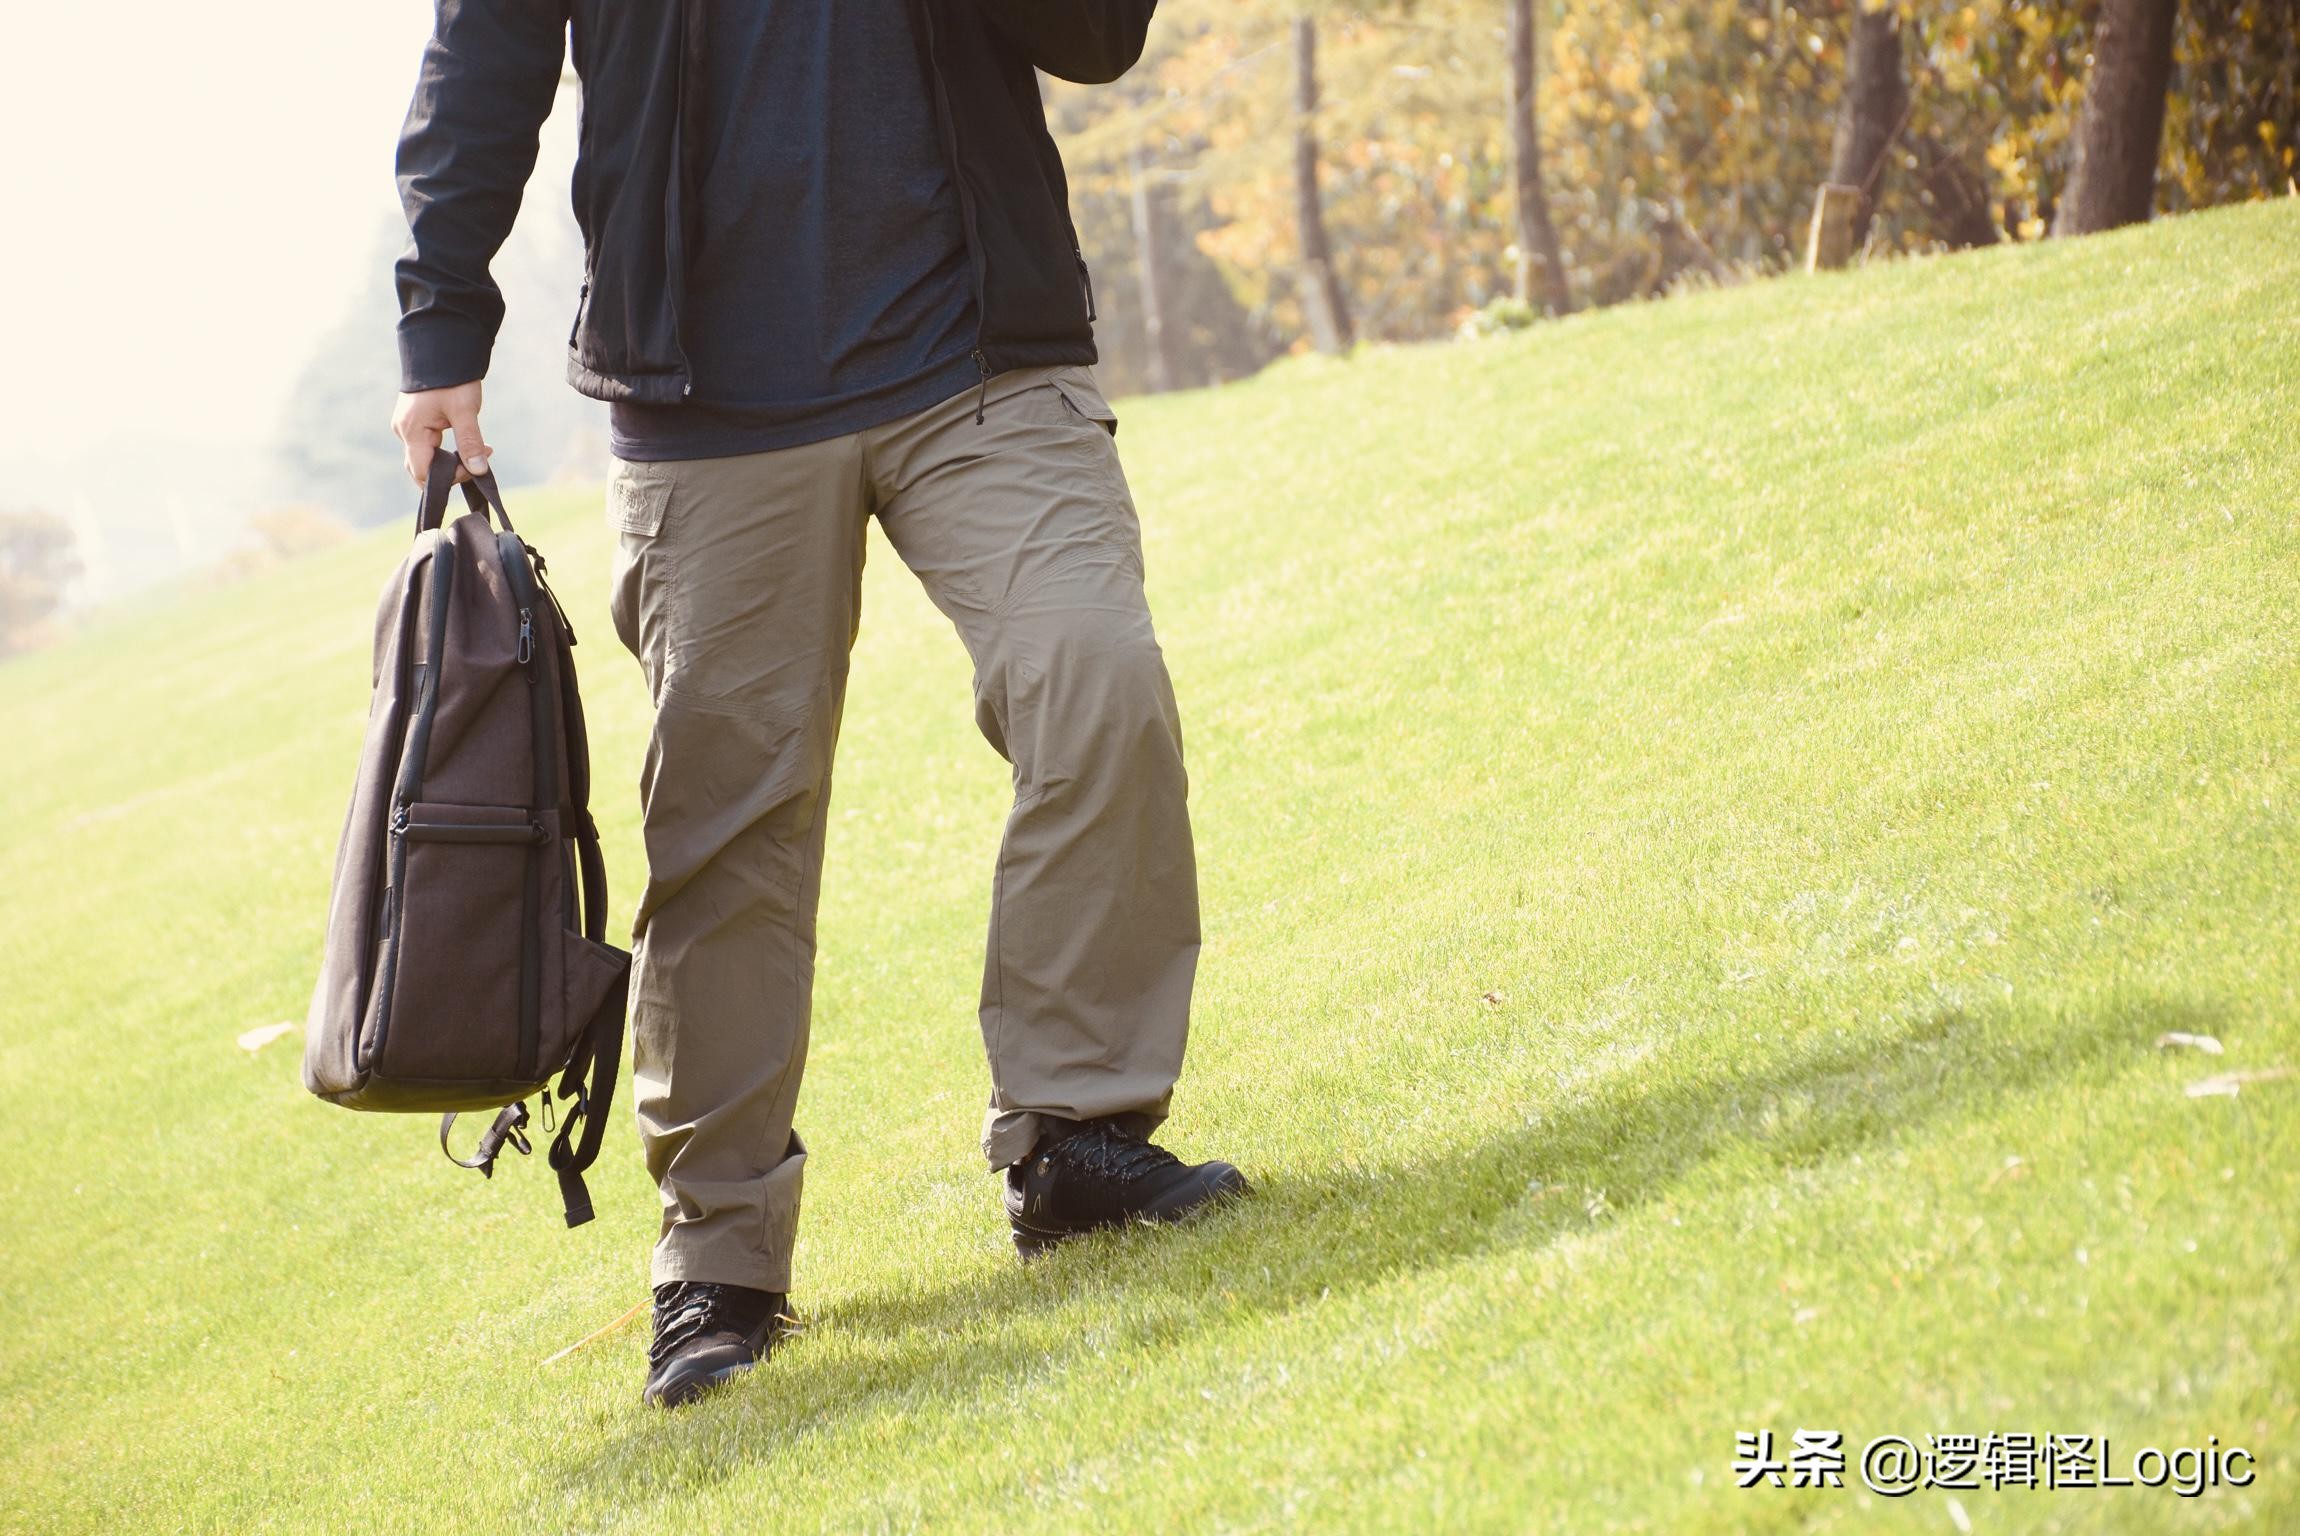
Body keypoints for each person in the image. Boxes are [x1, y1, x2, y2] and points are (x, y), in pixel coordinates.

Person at [385, 0, 1247, 1409]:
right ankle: (717, 1255)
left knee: (1097, 677)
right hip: (707, 399)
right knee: (729, 830)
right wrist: (440, 316)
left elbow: (1096, 40)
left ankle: (1077, 1135)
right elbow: (482, 58)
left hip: (981, 344)